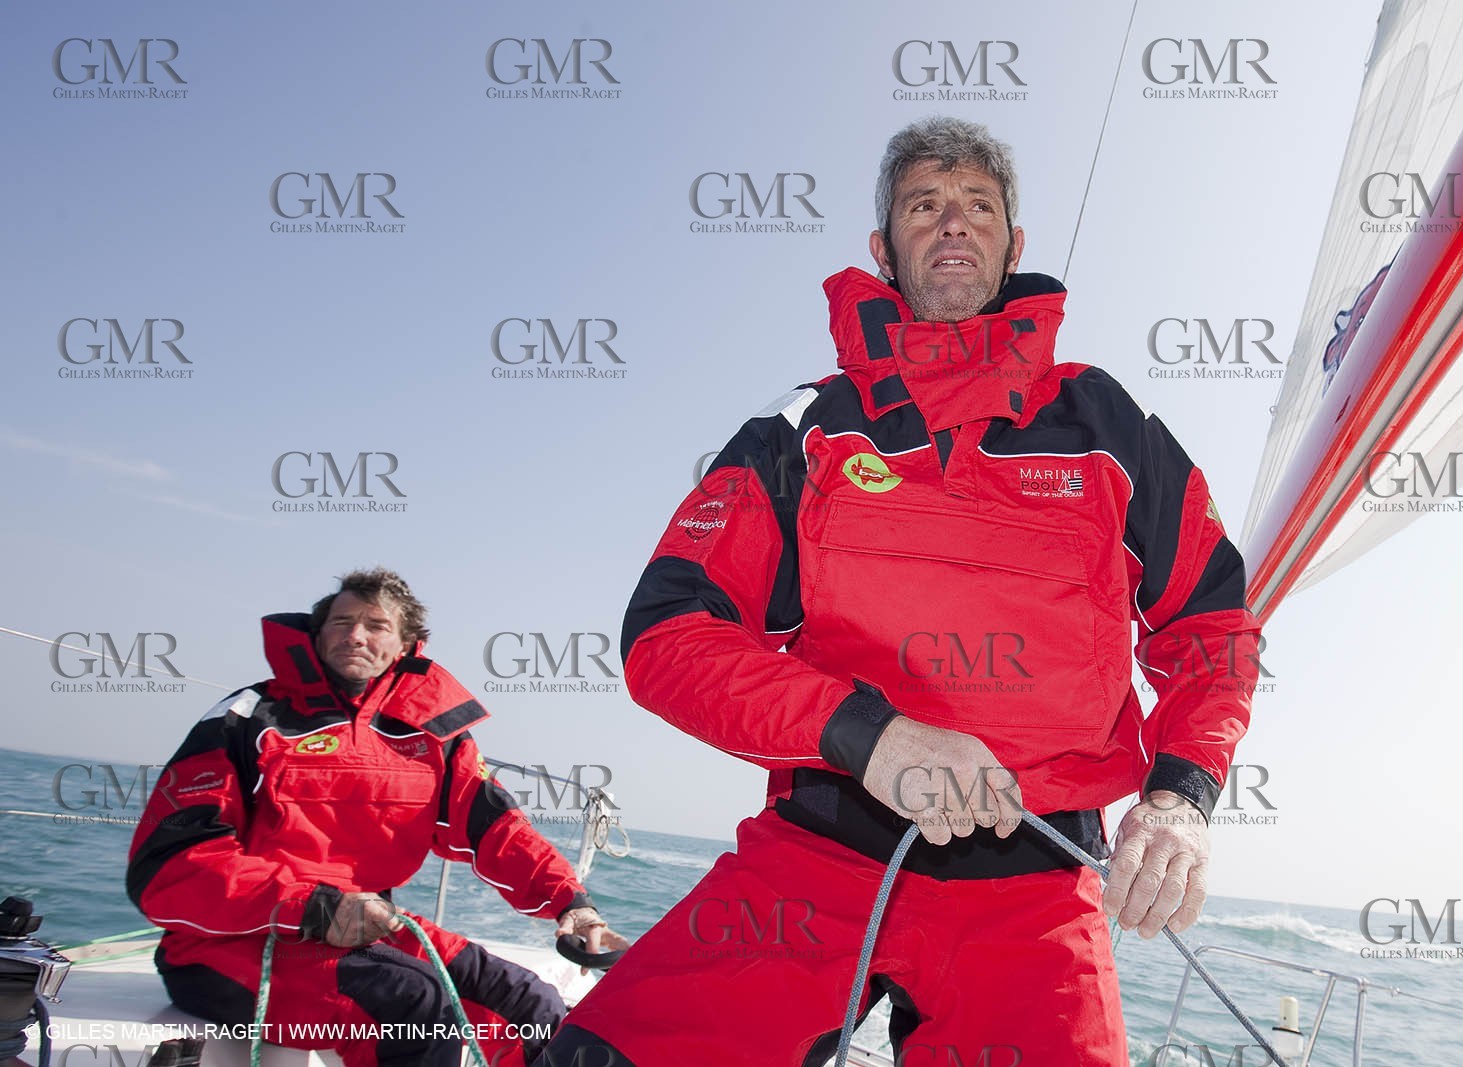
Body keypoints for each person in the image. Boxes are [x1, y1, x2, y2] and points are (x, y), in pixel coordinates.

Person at [538, 116, 1262, 1067]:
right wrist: (870, 735)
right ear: (883, 249)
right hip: (817, 854)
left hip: (1037, 890)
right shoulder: (806, 429)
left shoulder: (1109, 427)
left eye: (978, 206)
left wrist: (1181, 796)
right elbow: (668, 636)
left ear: (1013, 244)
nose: (953, 222)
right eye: (924, 205)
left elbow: (1211, 623)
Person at [127, 568, 629, 1067]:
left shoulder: (431, 735)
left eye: (376, 625)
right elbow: (169, 866)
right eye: (341, 622)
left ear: (406, 644)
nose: (355, 635)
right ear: (318, 633)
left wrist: (572, 905)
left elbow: (497, 831)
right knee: (414, 1009)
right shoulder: (250, 719)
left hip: (363, 930)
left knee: (531, 1004)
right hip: (229, 945)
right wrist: (315, 908)